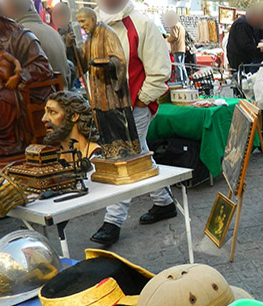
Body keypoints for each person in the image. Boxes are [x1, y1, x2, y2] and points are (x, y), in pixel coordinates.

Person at [88, 0, 175, 246]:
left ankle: (113, 221)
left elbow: (160, 70)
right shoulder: (92, 23)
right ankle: (165, 202)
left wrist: (140, 101)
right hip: (106, 105)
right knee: (140, 154)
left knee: (124, 158)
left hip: (131, 105)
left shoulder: (142, 24)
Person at [76, 7, 139, 160]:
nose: (82, 25)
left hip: (111, 88)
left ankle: (124, 148)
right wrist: (72, 50)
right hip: (97, 89)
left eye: (83, 21)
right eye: (79, 23)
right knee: (102, 119)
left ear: (93, 19)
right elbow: (82, 65)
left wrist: (109, 64)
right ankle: (110, 149)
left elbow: (120, 60)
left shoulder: (108, 33)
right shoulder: (89, 39)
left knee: (115, 117)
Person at [0, 0, 54, 158]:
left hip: (30, 91)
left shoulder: (23, 36)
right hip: (8, 89)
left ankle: (9, 146)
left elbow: (44, 68)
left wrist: (20, 76)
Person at [0, 0, 70, 89]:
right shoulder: (53, 32)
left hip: (40, 100)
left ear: (9, 10)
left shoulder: (16, 36)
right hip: (62, 98)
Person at [42, 90, 100, 160]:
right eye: (45, 112)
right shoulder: (61, 158)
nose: (44, 119)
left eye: (52, 112)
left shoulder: (95, 157)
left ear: (74, 116)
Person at [226, 4, 263, 73]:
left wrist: (262, 42)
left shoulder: (251, 23)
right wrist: (260, 49)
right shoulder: (242, 24)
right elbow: (245, 45)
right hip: (242, 61)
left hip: (247, 61)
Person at [164, 11, 187, 84]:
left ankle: (180, 81)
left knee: (178, 66)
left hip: (177, 48)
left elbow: (174, 36)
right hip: (182, 48)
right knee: (182, 65)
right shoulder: (180, 25)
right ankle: (185, 80)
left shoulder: (174, 25)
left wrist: (167, 39)